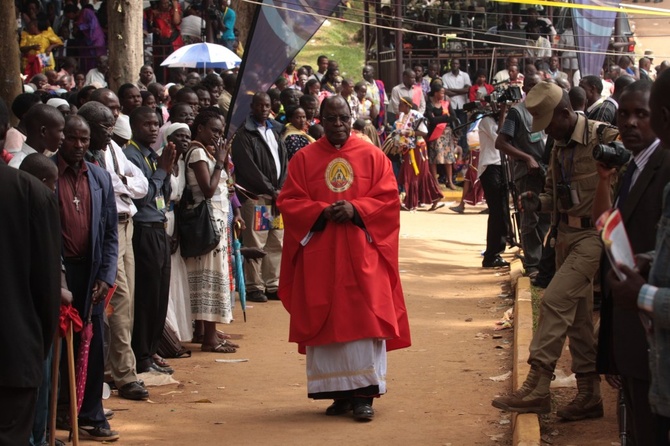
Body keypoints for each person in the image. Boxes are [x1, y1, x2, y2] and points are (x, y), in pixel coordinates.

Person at [277, 95, 411, 422]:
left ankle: (364, 395)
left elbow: (388, 199)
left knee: (365, 322)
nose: (338, 124)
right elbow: (289, 200)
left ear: (352, 117)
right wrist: (318, 212)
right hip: (322, 256)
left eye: (343, 118)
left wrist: (357, 209)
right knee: (328, 323)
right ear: (319, 119)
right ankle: (338, 394)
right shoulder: (304, 159)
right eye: (331, 118)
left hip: (362, 254)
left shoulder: (372, 156)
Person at [492, 82, 619, 420]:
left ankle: (537, 385)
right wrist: (539, 202)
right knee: (577, 321)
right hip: (563, 236)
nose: (546, 131)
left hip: (593, 237)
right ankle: (590, 395)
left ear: (565, 113)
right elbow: (554, 196)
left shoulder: (604, 138)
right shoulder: (558, 146)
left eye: (549, 123)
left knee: (554, 300)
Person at [591, 79, 669, 445]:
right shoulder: (631, 167)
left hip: (654, 327)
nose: (631, 123)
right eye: (624, 114)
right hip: (630, 323)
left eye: (642, 114)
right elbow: (605, 226)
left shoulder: (664, 165)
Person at [77, 101, 150, 402]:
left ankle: (115, 367)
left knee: (127, 300)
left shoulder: (113, 150)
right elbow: (113, 185)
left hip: (126, 225)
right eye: (104, 127)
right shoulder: (84, 158)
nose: (111, 131)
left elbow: (142, 185)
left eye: (112, 124)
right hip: (107, 231)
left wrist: (120, 183)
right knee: (117, 301)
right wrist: (121, 184)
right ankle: (124, 374)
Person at [0, 98, 62, 446]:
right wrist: (37, 341)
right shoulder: (32, 192)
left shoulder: (33, 191)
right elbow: (47, 284)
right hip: (17, 349)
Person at [55, 115, 119, 441]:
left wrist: (106, 276)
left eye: (84, 139)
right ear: (59, 137)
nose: (78, 145)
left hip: (93, 272)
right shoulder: (46, 173)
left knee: (92, 346)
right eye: (72, 138)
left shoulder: (100, 177)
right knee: (59, 345)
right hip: (59, 273)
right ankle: (61, 410)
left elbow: (110, 234)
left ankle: (91, 414)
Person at [124, 106, 176, 374]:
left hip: (159, 226)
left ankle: (152, 349)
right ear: (134, 126)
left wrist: (167, 169)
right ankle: (141, 355)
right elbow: (141, 196)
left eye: (157, 124)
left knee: (159, 293)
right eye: (147, 124)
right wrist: (162, 171)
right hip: (143, 229)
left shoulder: (154, 155)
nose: (154, 128)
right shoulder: (130, 156)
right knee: (146, 295)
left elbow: (164, 195)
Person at [183, 111, 238, 352]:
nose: (217, 136)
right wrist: (219, 162)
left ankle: (205, 331)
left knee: (211, 277)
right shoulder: (196, 152)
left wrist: (221, 161)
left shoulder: (206, 151)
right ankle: (209, 338)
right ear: (200, 128)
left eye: (220, 132)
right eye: (213, 130)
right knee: (209, 279)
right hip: (207, 224)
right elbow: (208, 189)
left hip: (215, 221)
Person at [231, 93, 287, 303]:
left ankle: (272, 284)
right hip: (258, 197)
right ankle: (255, 285)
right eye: (260, 105)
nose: (264, 109)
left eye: (267, 105)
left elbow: (284, 161)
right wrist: (272, 189)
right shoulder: (245, 134)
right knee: (257, 241)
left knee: (276, 241)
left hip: (277, 198)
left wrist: (281, 189)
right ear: (252, 107)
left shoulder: (275, 130)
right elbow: (249, 168)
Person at [495, 74, 549, 278]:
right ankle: (533, 265)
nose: (535, 88)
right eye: (531, 85)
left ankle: (545, 262)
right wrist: (526, 158)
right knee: (529, 219)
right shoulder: (517, 113)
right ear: (524, 87)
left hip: (546, 173)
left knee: (546, 218)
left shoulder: (546, 109)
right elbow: (500, 142)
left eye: (538, 85)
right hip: (527, 174)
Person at [163, 123, 193, 343]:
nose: (184, 140)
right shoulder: (161, 160)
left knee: (176, 271)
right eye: (178, 136)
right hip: (161, 217)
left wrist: (178, 233)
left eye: (187, 136)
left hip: (176, 220)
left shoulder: (183, 164)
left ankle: (178, 330)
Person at [395, 96, 443, 211]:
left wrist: (409, 132)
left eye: (401, 104)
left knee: (414, 173)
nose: (398, 106)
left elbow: (424, 132)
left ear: (407, 105)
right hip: (406, 147)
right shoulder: (402, 116)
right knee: (412, 173)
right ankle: (431, 197)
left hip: (417, 148)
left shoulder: (417, 116)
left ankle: (412, 201)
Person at [9, 104, 65, 169]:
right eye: (60, 131)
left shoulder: (45, 159)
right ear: (43, 131)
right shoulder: (18, 166)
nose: (63, 137)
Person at [424, 82, 457, 189]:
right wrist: (445, 118)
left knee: (448, 158)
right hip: (435, 134)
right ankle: (435, 182)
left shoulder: (446, 103)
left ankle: (450, 181)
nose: (443, 95)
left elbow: (453, 117)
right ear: (435, 93)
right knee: (434, 158)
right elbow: (431, 119)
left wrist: (440, 119)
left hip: (446, 133)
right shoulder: (429, 105)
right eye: (441, 92)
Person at [442, 59, 471, 155]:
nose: (455, 65)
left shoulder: (465, 75)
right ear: (450, 65)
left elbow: (467, 90)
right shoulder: (445, 77)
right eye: (453, 63)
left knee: (463, 127)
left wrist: (452, 91)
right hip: (451, 106)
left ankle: (464, 151)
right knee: (454, 128)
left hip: (463, 105)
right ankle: (454, 150)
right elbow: (445, 91)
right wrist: (460, 91)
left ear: (459, 65)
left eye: (456, 63)